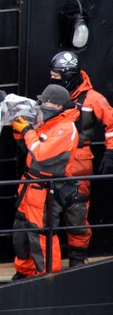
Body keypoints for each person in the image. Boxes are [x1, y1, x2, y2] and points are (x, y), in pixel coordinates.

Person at [48, 51, 113, 267]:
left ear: (68, 75)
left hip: (79, 164)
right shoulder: (54, 95)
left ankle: (77, 259)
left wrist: (110, 153)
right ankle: (49, 263)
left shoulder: (93, 99)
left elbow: (112, 124)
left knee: (77, 213)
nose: (52, 79)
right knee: (48, 215)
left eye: (57, 76)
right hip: (54, 163)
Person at [10, 84, 79, 280]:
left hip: (46, 191)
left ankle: (48, 278)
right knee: (21, 232)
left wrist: (27, 130)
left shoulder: (65, 129)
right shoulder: (50, 122)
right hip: (30, 187)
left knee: (41, 236)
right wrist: (19, 130)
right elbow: (29, 148)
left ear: (57, 106)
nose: (41, 105)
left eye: (45, 102)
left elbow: (40, 153)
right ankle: (23, 273)